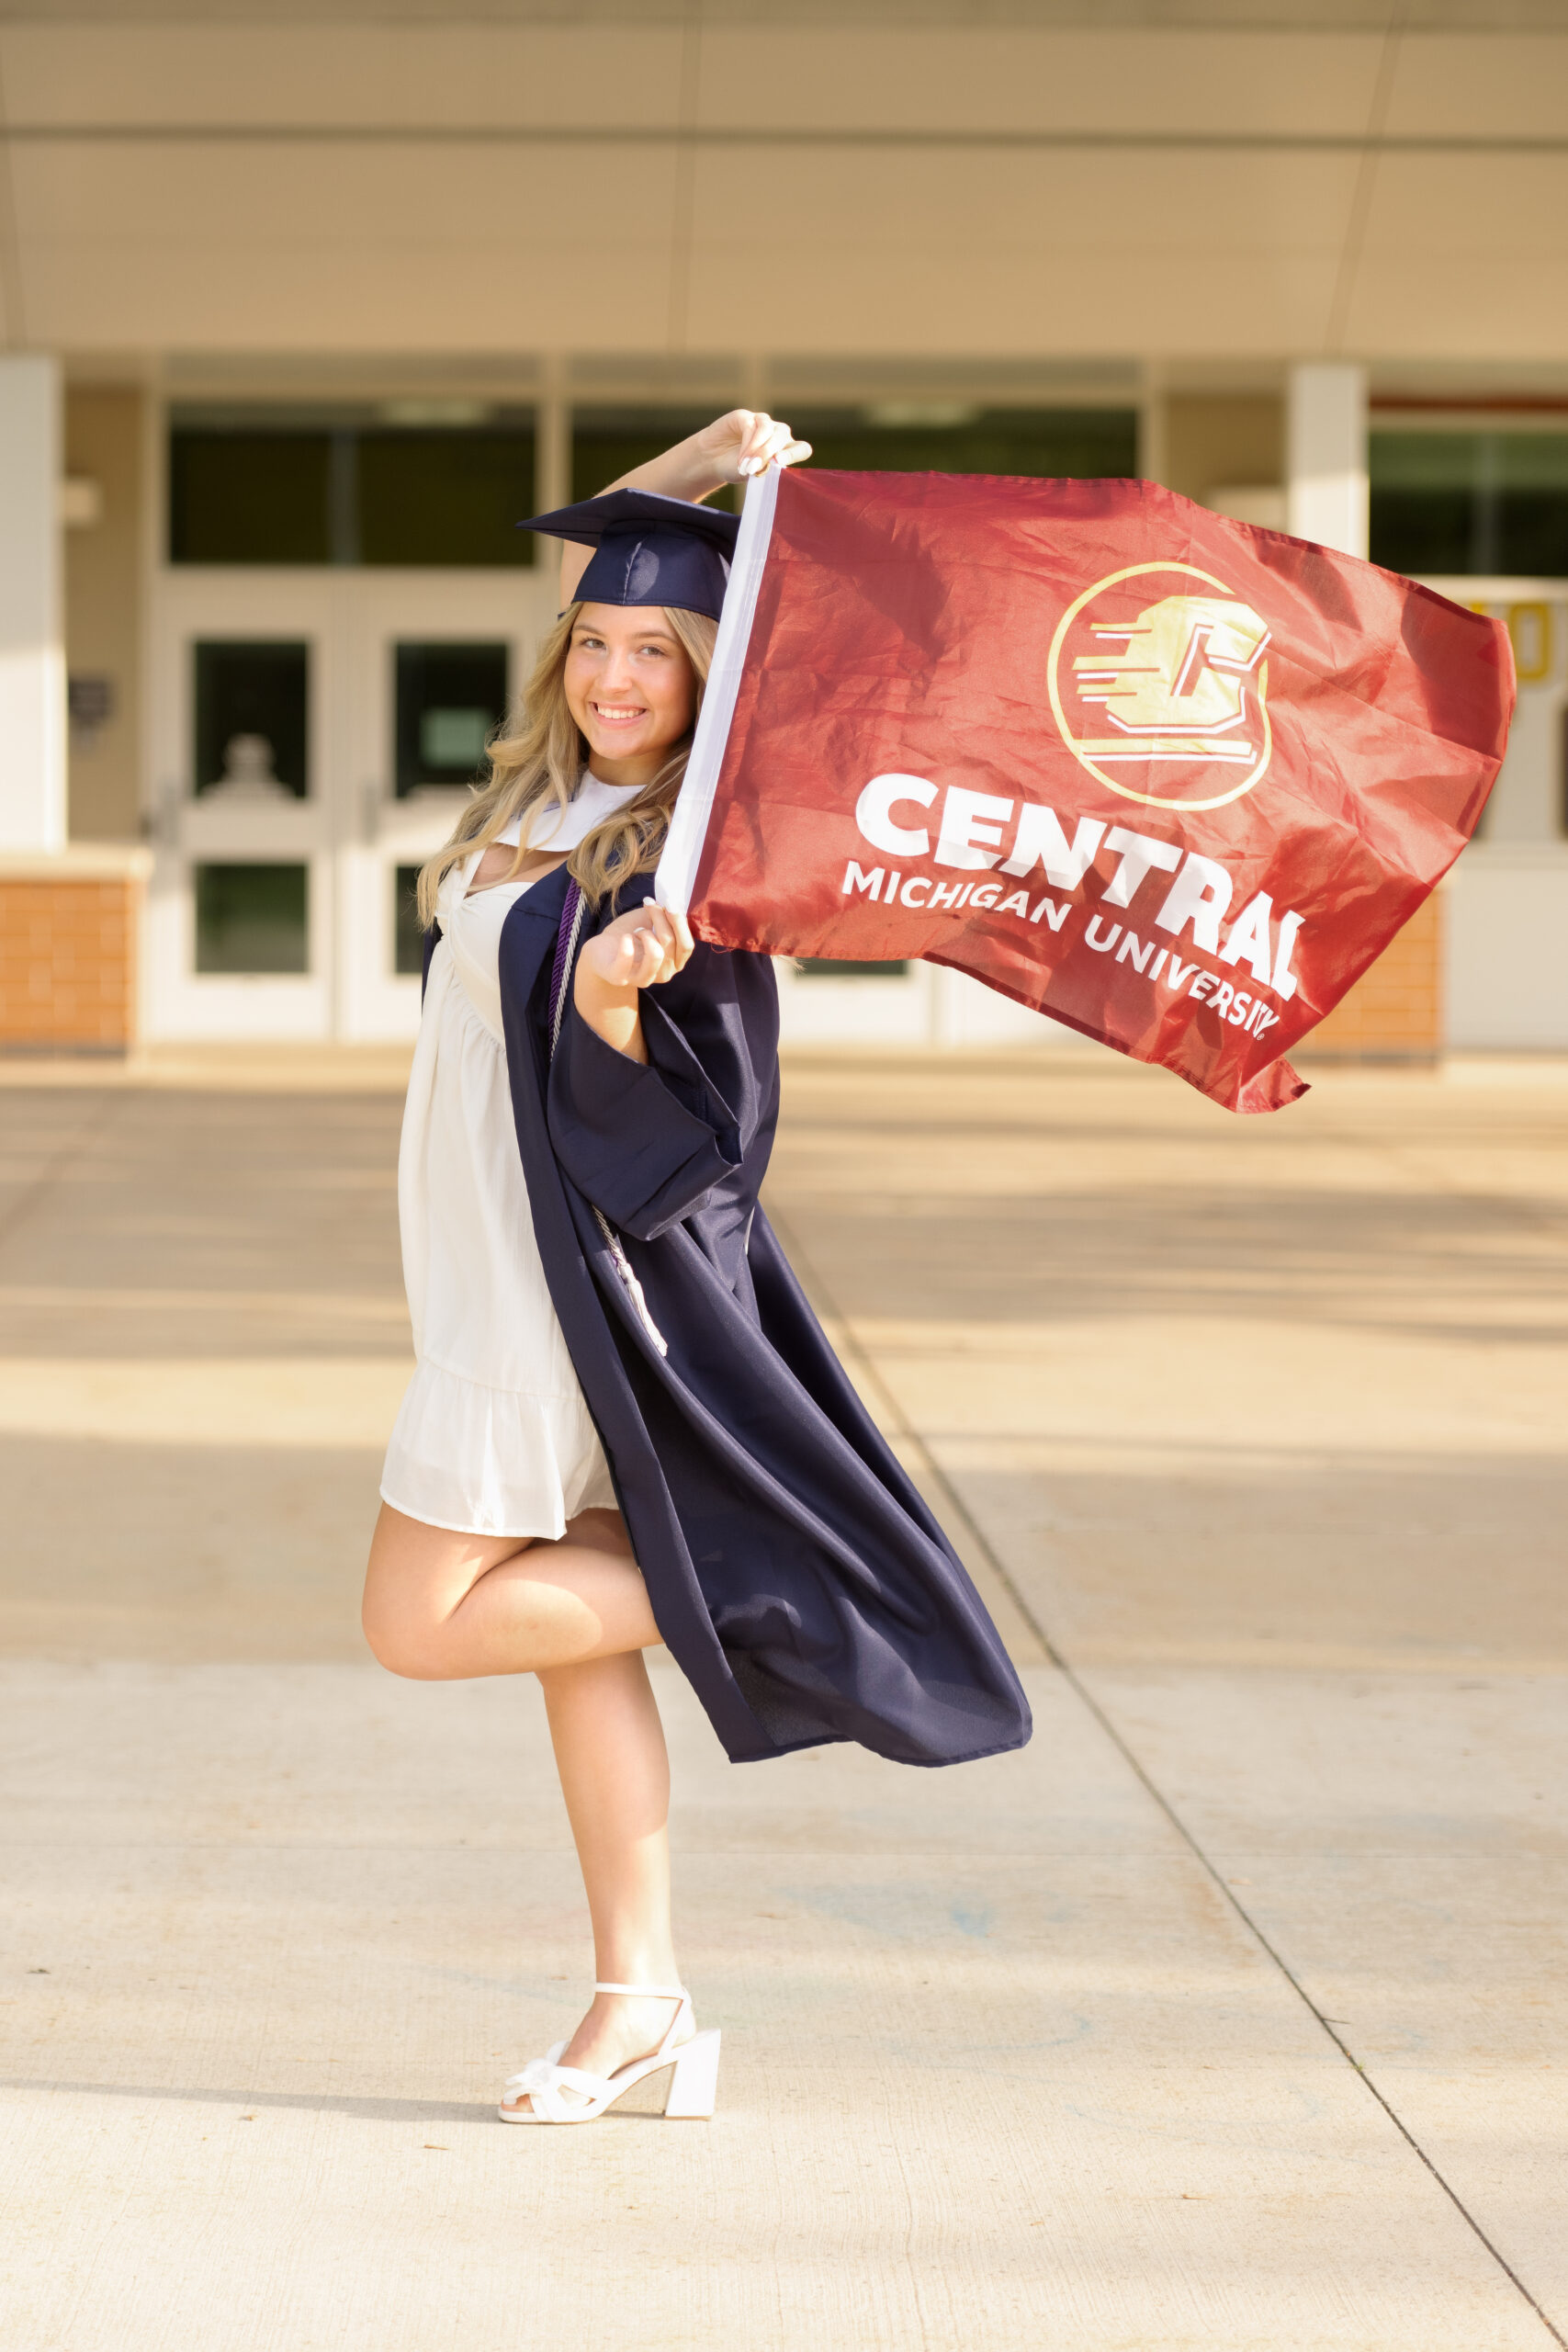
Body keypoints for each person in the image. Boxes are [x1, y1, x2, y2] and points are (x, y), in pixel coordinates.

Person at [361, 410, 1032, 2126]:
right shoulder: (545, 792)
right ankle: (637, 2003)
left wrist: (602, 1004)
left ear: (709, 675)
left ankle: (792, 1587)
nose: (617, 674)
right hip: (473, 1266)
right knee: (572, 1658)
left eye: (659, 653)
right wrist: (706, 457)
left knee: (415, 1624)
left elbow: (712, 1131)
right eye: (597, 643)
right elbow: (605, 548)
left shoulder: (690, 845)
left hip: (552, 1287)